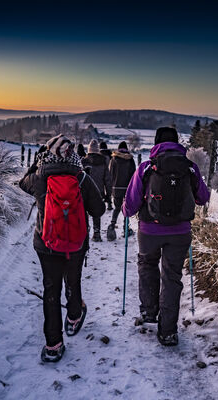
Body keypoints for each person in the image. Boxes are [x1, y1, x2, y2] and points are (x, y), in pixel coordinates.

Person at [20, 134, 105, 362]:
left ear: (49, 152)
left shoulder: (40, 177)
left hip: (46, 244)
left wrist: (37, 162)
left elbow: (22, 183)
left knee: (51, 289)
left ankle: (53, 345)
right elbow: (99, 210)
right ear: (73, 154)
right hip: (76, 244)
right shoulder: (82, 178)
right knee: (73, 280)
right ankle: (74, 317)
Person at [122, 127, 210, 346]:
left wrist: (124, 211)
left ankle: (149, 311)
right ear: (177, 143)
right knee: (172, 277)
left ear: (156, 143)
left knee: (147, 264)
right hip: (180, 232)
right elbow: (203, 198)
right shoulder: (190, 168)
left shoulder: (146, 167)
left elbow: (131, 204)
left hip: (150, 230)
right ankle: (168, 331)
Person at [82, 139, 112, 242]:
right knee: (96, 213)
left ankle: (84, 232)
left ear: (89, 150)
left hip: (84, 191)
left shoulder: (83, 162)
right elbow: (107, 179)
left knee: (84, 213)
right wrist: (108, 194)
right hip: (98, 191)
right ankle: (97, 233)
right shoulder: (103, 162)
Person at [107, 141, 136, 241]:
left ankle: (112, 225)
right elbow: (133, 176)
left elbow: (110, 174)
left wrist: (110, 188)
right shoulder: (130, 160)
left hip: (116, 188)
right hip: (127, 188)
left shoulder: (113, 159)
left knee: (117, 208)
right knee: (126, 209)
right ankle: (126, 229)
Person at [99, 141, 114, 210]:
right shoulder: (110, 155)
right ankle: (109, 204)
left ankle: (100, 204)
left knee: (101, 190)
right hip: (110, 174)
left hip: (101, 173)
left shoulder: (99, 155)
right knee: (108, 190)